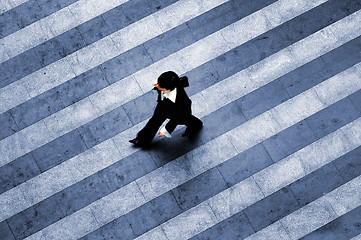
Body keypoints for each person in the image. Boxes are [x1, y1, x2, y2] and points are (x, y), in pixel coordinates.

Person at [129, 71, 203, 146]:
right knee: (154, 121)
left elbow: (178, 117)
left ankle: (196, 125)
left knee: (186, 119)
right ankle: (142, 139)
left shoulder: (182, 100)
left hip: (177, 111)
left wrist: (168, 129)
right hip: (163, 106)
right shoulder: (171, 84)